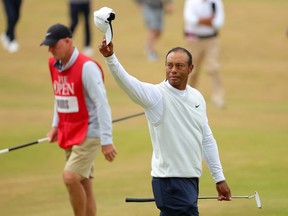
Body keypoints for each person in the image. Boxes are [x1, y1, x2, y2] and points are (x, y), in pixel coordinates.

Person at [98, 40, 231, 215]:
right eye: (169, 65)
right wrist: (110, 58)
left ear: (191, 68)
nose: (173, 69)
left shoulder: (197, 97)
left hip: (190, 179)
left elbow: (206, 139)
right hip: (169, 182)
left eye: (179, 65)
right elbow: (128, 84)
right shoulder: (156, 96)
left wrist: (219, 177)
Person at [40, 23, 117, 216]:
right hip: (69, 131)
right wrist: (55, 126)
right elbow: (60, 96)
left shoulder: (87, 67)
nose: (50, 50)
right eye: (48, 46)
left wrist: (106, 140)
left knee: (70, 177)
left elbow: (102, 104)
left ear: (68, 41)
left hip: (89, 132)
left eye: (53, 45)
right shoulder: (53, 64)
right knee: (84, 184)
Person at [183, 0, 226, 108]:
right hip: (193, 40)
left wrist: (200, 21)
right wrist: (207, 21)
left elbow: (218, 23)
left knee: (213, 68)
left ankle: (218, 98)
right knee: (191, 70)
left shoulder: (216, 2)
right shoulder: (191, 2)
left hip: (211, 40)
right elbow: (190, 20)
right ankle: (187, 98)